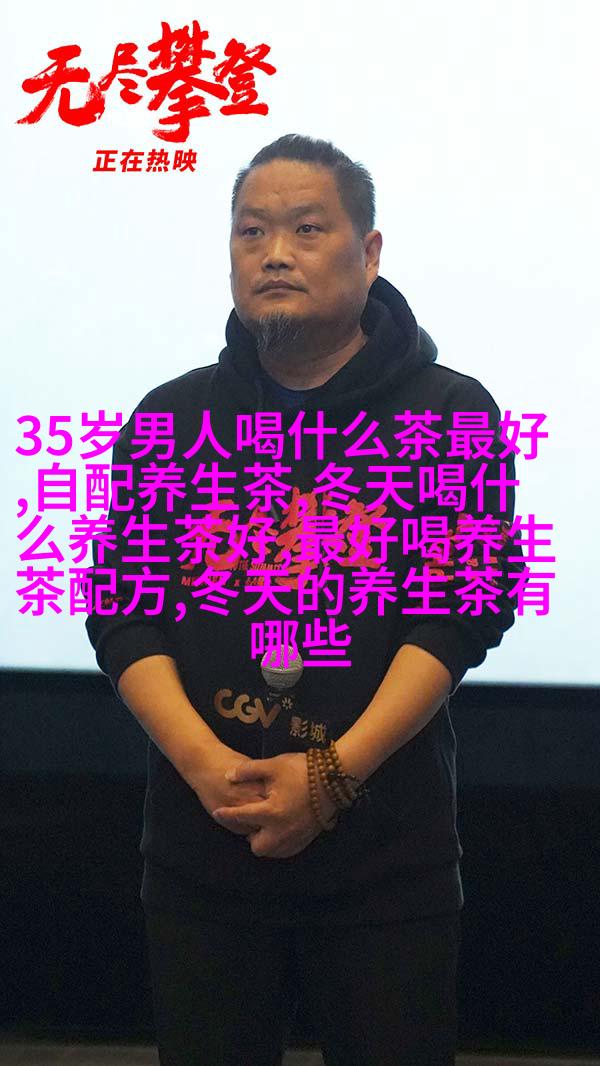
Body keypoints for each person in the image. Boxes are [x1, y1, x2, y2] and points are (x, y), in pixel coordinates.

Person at [86, 134, 525, 1066]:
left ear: (370, 252)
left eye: (307, 229)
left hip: (385, 861)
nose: (274, 253)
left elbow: (460, 611)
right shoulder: (172, 417)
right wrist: (205, 763)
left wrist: (331, 777)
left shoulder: (448, 414)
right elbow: (122, 609)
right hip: (204, 853)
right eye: (251, 232)